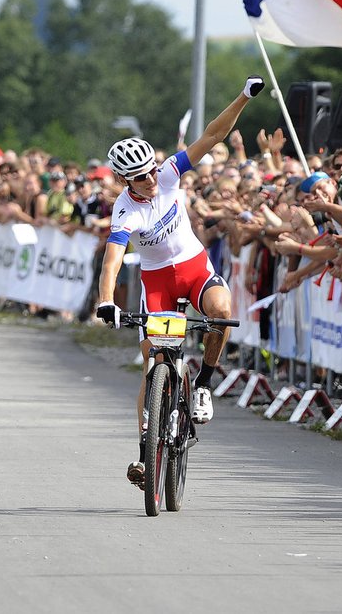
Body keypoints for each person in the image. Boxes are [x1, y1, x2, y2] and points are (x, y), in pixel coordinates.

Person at [95, 76, 265, 489]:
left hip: (194, 269)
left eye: (150, 172)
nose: (150, 181)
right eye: (139, 178)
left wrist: (242, 96)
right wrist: (106, 301)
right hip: (157, 284)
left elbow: (212, 134)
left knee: (221, 312)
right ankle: (143, 454)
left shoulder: (170, 174)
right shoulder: (125, 212)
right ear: (124, 181)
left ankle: (204, 383)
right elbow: (113, 258)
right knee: (153, 364)